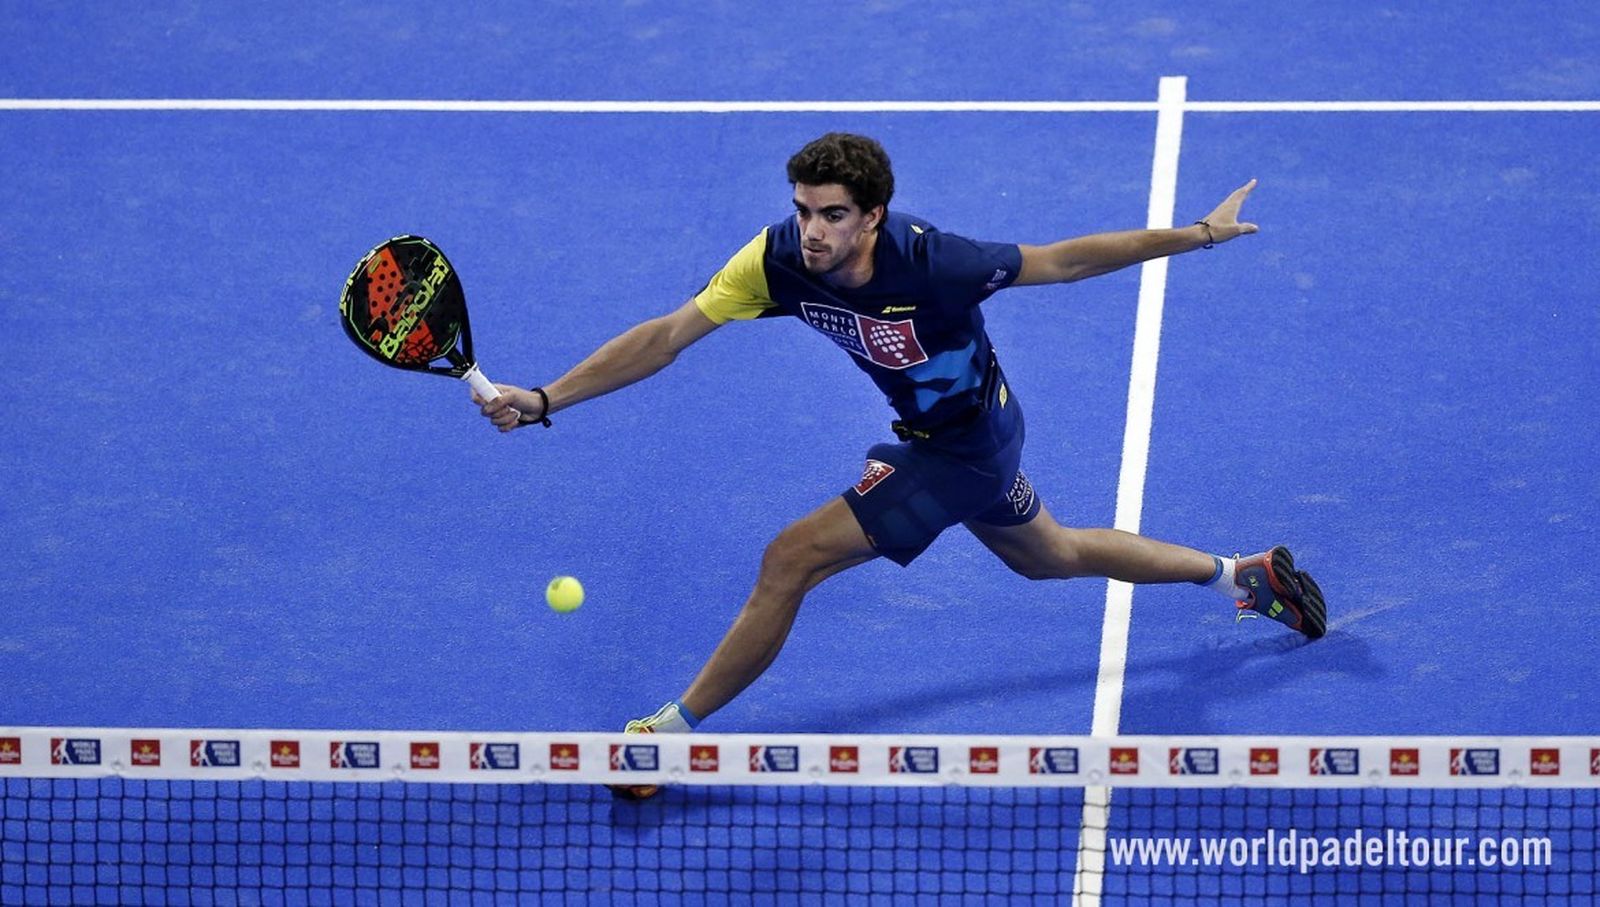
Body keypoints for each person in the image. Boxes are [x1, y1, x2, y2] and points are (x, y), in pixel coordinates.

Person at [477, 133, 1325, 796]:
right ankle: (1239, 575)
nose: (813, 229)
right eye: (805, 209)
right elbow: (666, 336)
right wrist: (548, 397)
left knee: (790, 557)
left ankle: (666, 734)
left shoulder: (935, 263)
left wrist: (1198, 235)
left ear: (873, 215)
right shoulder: (774, 260)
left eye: (834, 214)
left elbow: (1064, 259)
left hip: (964, 447)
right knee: (1052, 554)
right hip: (959, 440)